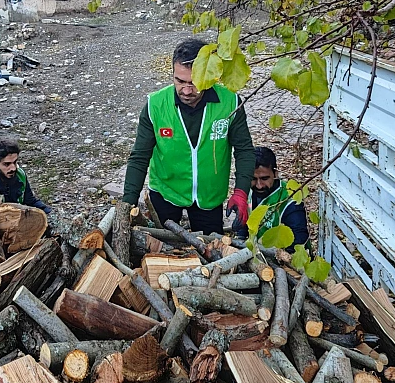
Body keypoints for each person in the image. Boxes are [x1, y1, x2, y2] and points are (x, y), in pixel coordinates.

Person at [121, 37, 255, 234]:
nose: (186, 90)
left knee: (211, 252)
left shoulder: (230, 104)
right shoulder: (155, 106)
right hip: (165, 193)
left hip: (209, 196)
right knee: (161, 250)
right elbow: (139, 157)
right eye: (179, 81)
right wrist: (128, 202)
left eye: (193, 83)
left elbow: (244, 151)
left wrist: (242, 191)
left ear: (208, 75)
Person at [248, 146, 310, 249]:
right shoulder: (248, 190)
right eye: (253, 179)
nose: (259, 185)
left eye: (264, 178)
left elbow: (299, 243)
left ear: (276, 174)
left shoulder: (290, 200)